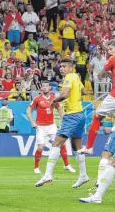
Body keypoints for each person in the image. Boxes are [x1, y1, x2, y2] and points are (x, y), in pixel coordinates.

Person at [35, 59, 88, 188]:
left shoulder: (70, 77)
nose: (62, 69)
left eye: (64, 66)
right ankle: (83, 175)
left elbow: (64, 94)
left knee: (56, 143)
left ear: (71, 67)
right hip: (80, 114)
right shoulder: (76, 76)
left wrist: (53, 101)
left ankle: (48, 174)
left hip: (72, 115)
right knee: (77, 147)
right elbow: (85, 92)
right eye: (61, 67)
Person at [78, 40, 115, 154]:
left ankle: (89, 147)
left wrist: (101, 74)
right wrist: (112, 74)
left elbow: (100, 74)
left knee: (97, 116)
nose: (109, 52)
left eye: (110, 49)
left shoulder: (113, 59)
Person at [26, 80, 76, 174]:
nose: (44, 87)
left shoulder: (54, 98)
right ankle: (36, 167)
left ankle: (67, 165)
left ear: (49, 88)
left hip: (51, 126)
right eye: (43, 86)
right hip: (41, 127)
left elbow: (60, 109)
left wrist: (65, 119)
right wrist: (32, 122)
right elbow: (28, 111)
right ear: (41, 88)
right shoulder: (37, 99)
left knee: (61, 144)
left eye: (46, 86)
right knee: (40, 147)